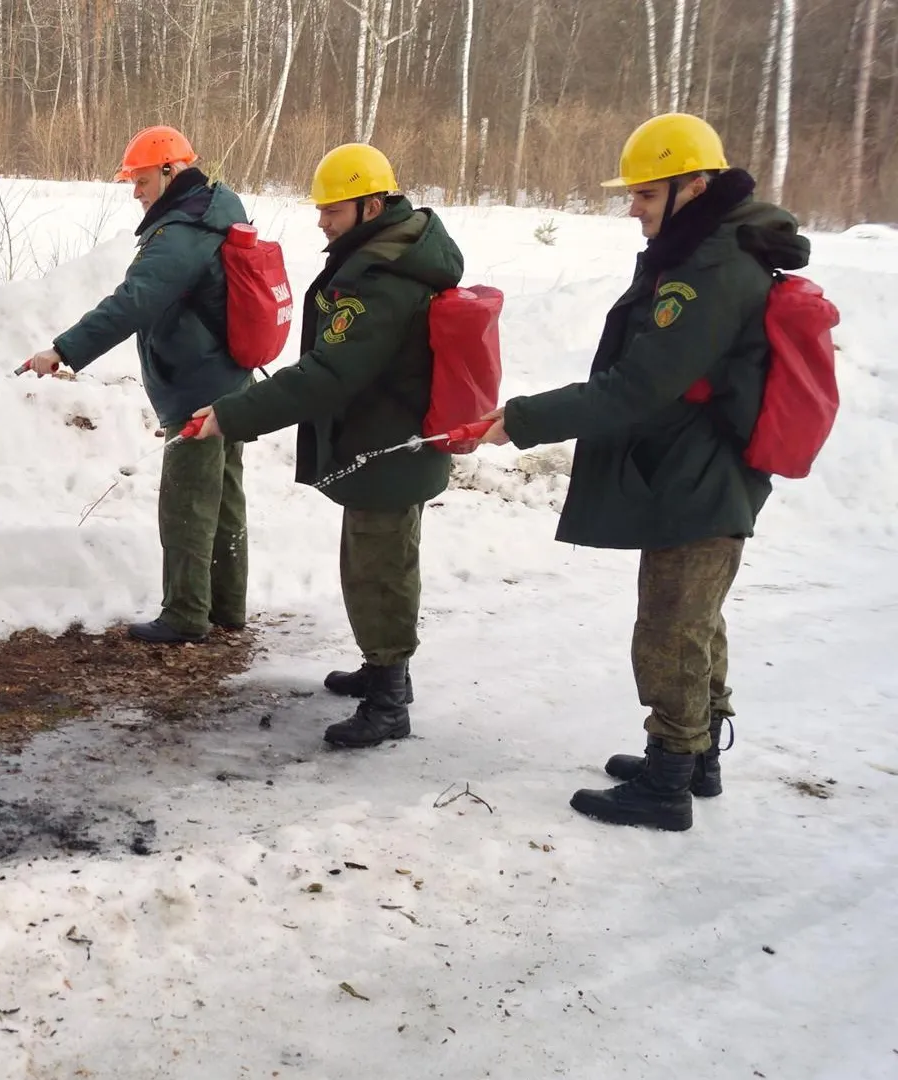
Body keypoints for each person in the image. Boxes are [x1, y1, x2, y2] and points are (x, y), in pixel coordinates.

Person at [475, 113, 809, 831]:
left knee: (670, 626)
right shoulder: (701, 248)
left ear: (694, 186)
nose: (632, 207)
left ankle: (667, 781)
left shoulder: (711, 267)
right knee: (696, 619)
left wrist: (521, 420)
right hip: (694, 463)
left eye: (644, 195)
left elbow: (637, 385)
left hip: (703, 471)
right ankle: (696, 757)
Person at [187, 144, 463, 749]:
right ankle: (384, 670)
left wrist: (233, 413)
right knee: (376, 563)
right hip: (386, 441)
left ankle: (389, 699)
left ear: (370, 204)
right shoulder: (388, 255)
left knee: (379, 570)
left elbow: (329, 374)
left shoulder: (383, 277)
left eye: (332, 210)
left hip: (387, 445)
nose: (322, 221)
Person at [21, 126, 253, 645]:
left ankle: (187, 614)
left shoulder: (183, 232)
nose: (135, 191)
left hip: (198, 385)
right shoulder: (215, 210)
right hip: (227, 374)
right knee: (224, 494)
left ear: (171, 172)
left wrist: (62, 350)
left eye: (141, 179)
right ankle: (226, 605)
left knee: (188, 501)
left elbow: (133, 303)